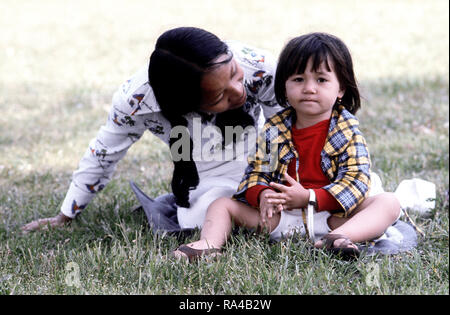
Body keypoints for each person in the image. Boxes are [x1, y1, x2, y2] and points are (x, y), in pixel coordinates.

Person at [21, 27, 282, 233]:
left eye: (235, 74)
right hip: (201, 169)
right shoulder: (136, 101)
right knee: (199, 220)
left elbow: (289, 130)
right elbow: (103, 153)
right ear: (185, 104)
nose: (239, 92)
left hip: (257, 154)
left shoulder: (258, 66)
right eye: (218, 97)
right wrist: (65, 215)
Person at [172, 32, 401, 261]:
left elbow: (356, 181)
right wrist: (262, 194)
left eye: (321, 80)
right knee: (222, 204)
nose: (309, 88)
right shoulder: (275, 129)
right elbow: (256, 172)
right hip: (278, 218)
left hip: (332, 217)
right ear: (284, 85)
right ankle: (209, 244)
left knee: (388, 203)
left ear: (340, 88)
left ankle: (338, 240)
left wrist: (310, 197)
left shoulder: (346, 130)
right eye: (298, 79)